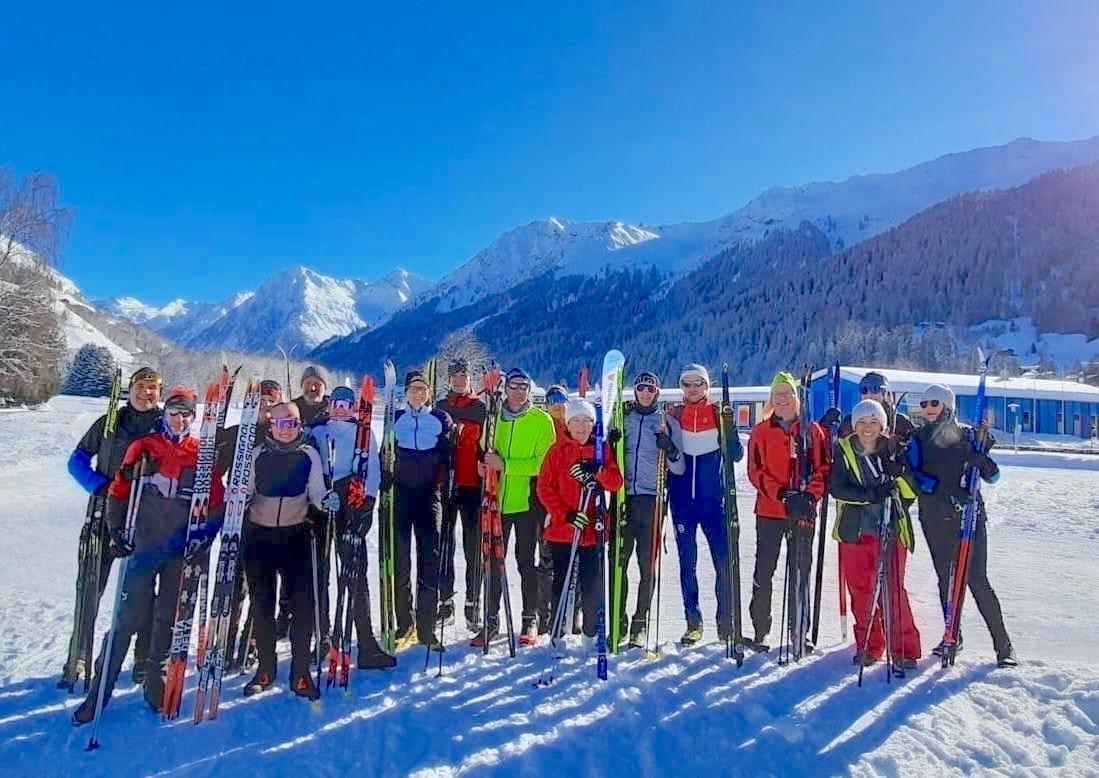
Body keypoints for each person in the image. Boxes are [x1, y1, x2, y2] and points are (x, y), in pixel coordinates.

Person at [72, 387, 223, 723]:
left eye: (186, 414)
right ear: (164, 414)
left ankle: (156, 684)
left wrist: (205, 537)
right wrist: (117, 531)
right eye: (174, 412)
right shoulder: (144, 447)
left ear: (193, 417)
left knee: (166, 619)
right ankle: (100, 692)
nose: (180, 419)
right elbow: (119, 491)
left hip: (178, 551)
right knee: (126, 620)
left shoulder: (200, 453)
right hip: (143, 546)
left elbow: (217, 502)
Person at [63, 366, 164, 689]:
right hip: (102, 516)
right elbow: (76, 460)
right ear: (130, 389)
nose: (146, 393)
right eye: (140, 387)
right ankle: (78, 655)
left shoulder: (164, 426)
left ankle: (141, 657)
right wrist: (100, 486)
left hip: (144, 519)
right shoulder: (110, 423)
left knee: (143, 593)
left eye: (152, 388)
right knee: (90, 589)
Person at [906, 384, 1017, 667]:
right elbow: (915, 478)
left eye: (934, 403)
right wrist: (946, 491)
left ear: (947, 406)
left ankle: (1003, 646)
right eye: (925, 404)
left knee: (977, 580)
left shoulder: (968, 436)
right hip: (935, 517)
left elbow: (994, 478)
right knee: (947, 579)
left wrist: (985, 464)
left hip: (969, 518)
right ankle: (951, 635)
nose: (928, 409)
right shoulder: (917, 438)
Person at [241, 402, 340, 700]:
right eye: (282, 423)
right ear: (272, 424)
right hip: (260, 538)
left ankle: (300, 672)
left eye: (293, 423)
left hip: (296, 537)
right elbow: (245, 490)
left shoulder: (308, 455)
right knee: (262, 605)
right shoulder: (258, 455)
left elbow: (317, 493)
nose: (288, 429)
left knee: (303, 607)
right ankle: (266, 669)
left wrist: (327, 501)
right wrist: (235, 501)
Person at [828, 399, 921, 670]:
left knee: (893, 590)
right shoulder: (844, 450)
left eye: (873, 422)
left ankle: (904, 649)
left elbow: (910, 492)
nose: (868, 428)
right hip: (855, 531)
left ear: (882, 425)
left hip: (890, 528)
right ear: (854, 425)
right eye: (862, 422)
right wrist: (870, 495)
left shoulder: (894, 450)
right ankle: (869, 644)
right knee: (861, 590)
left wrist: (899, 475)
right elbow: (837, 488)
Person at [311, 386, 395, 669]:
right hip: (322, 504)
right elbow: (308, 467)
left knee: (355, 573)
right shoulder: (317, 432)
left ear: (353, 408)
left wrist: (366, 504)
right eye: (335, 404)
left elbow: (372, 469)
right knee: (320, 572)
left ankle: (366, 643)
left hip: (353, 502)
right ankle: (323, 636)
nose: (340, 409)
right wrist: (321, 494)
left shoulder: (364, 433)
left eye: (346, 405)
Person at [746, 371, 828, 652]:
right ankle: (760, 629)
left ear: (796, 398)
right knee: (764, 570)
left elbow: (823, 468)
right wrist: (780, 493)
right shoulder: (760, 431)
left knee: (800, 571)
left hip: (802, 512)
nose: (782, 399)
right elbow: (754, 472)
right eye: (777, 394)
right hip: (770, 511)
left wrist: (808, 496)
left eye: (787, 393)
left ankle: (799, 629)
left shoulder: (811, 431)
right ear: (771, 399)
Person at [477, 367, 556, 647]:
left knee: (526, 563)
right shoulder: (494, 417)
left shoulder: (541, 421)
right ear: (506, 388)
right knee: (494, 562)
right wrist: (484, 464)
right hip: (496, 501)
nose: (519, 391)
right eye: (514, 386)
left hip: (527, 504)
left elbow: (544, 465)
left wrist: (506, 466)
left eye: (524, 386)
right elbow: (484, 449)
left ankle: (529, 618)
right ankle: (491, 619)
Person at [666, 363, 743, 646]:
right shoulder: (674, 414)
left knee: (723, 562)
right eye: (687, 384)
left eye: (698, 383)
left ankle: (725, 623)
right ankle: (693, 621)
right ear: (682, 388)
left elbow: (735, 455)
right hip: (683, 501)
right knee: (688, 563)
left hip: (713, 502)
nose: (693, 388)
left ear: (706, 386)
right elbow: (667, 456)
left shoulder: (717, 413)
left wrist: (731, 429)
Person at [536, 399, 623, 640]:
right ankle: (558, 632)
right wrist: (566, 514)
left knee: (592, 584)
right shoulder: (557, 450)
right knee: (562, 582)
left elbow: (615, 482)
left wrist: (597, 472)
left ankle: (590, 634)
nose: (581, 426)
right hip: (564, 529)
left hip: (591, 530)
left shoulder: (600, 449)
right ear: (567, 423)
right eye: (575, 421)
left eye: (586, 421)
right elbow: (544, 487)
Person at [618, 371, 685, 649]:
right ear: (635, 391)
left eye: (650, 388)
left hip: (651, 500)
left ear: (657, 392)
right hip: (623, 499)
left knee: (646, 564)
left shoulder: (667, 422)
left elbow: (679, 466)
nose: (645, 393)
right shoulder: (624, 419)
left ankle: (639, 624)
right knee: (619, 562)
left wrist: (669, 447)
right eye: (641, 388)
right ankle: (618, 620)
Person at [389, 369, 453, 650]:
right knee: (401, 560)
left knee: (430, 559)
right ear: (406, 392)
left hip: (429, 496)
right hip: (401, 495)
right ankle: (405, 623)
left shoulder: (439, 419)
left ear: (429, 392)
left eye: (423, 388)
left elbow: (449, 453)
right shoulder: (396, 418)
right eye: (414, 388)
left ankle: (427, 629)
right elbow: (384, 453)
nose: (418, 393)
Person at [436, 358, 487, 633]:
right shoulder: (441, 407)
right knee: (445, 545)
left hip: (472, 485)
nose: (458, 379)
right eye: (454, 375)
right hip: (446, 485)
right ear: (449, 379)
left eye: (463, 375)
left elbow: (488, 443)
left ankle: (472, 601)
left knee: (473, 547)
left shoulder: (479, 407)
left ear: (469, 379)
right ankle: (445, 601)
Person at [821, 371, 915, 441]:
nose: (869, 394)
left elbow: (918, 448)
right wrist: (825, 427)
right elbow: (835, 447)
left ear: (884, 393)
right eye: (864, 390)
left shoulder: (900, 422)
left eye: (875, 389)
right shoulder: (851, 421)